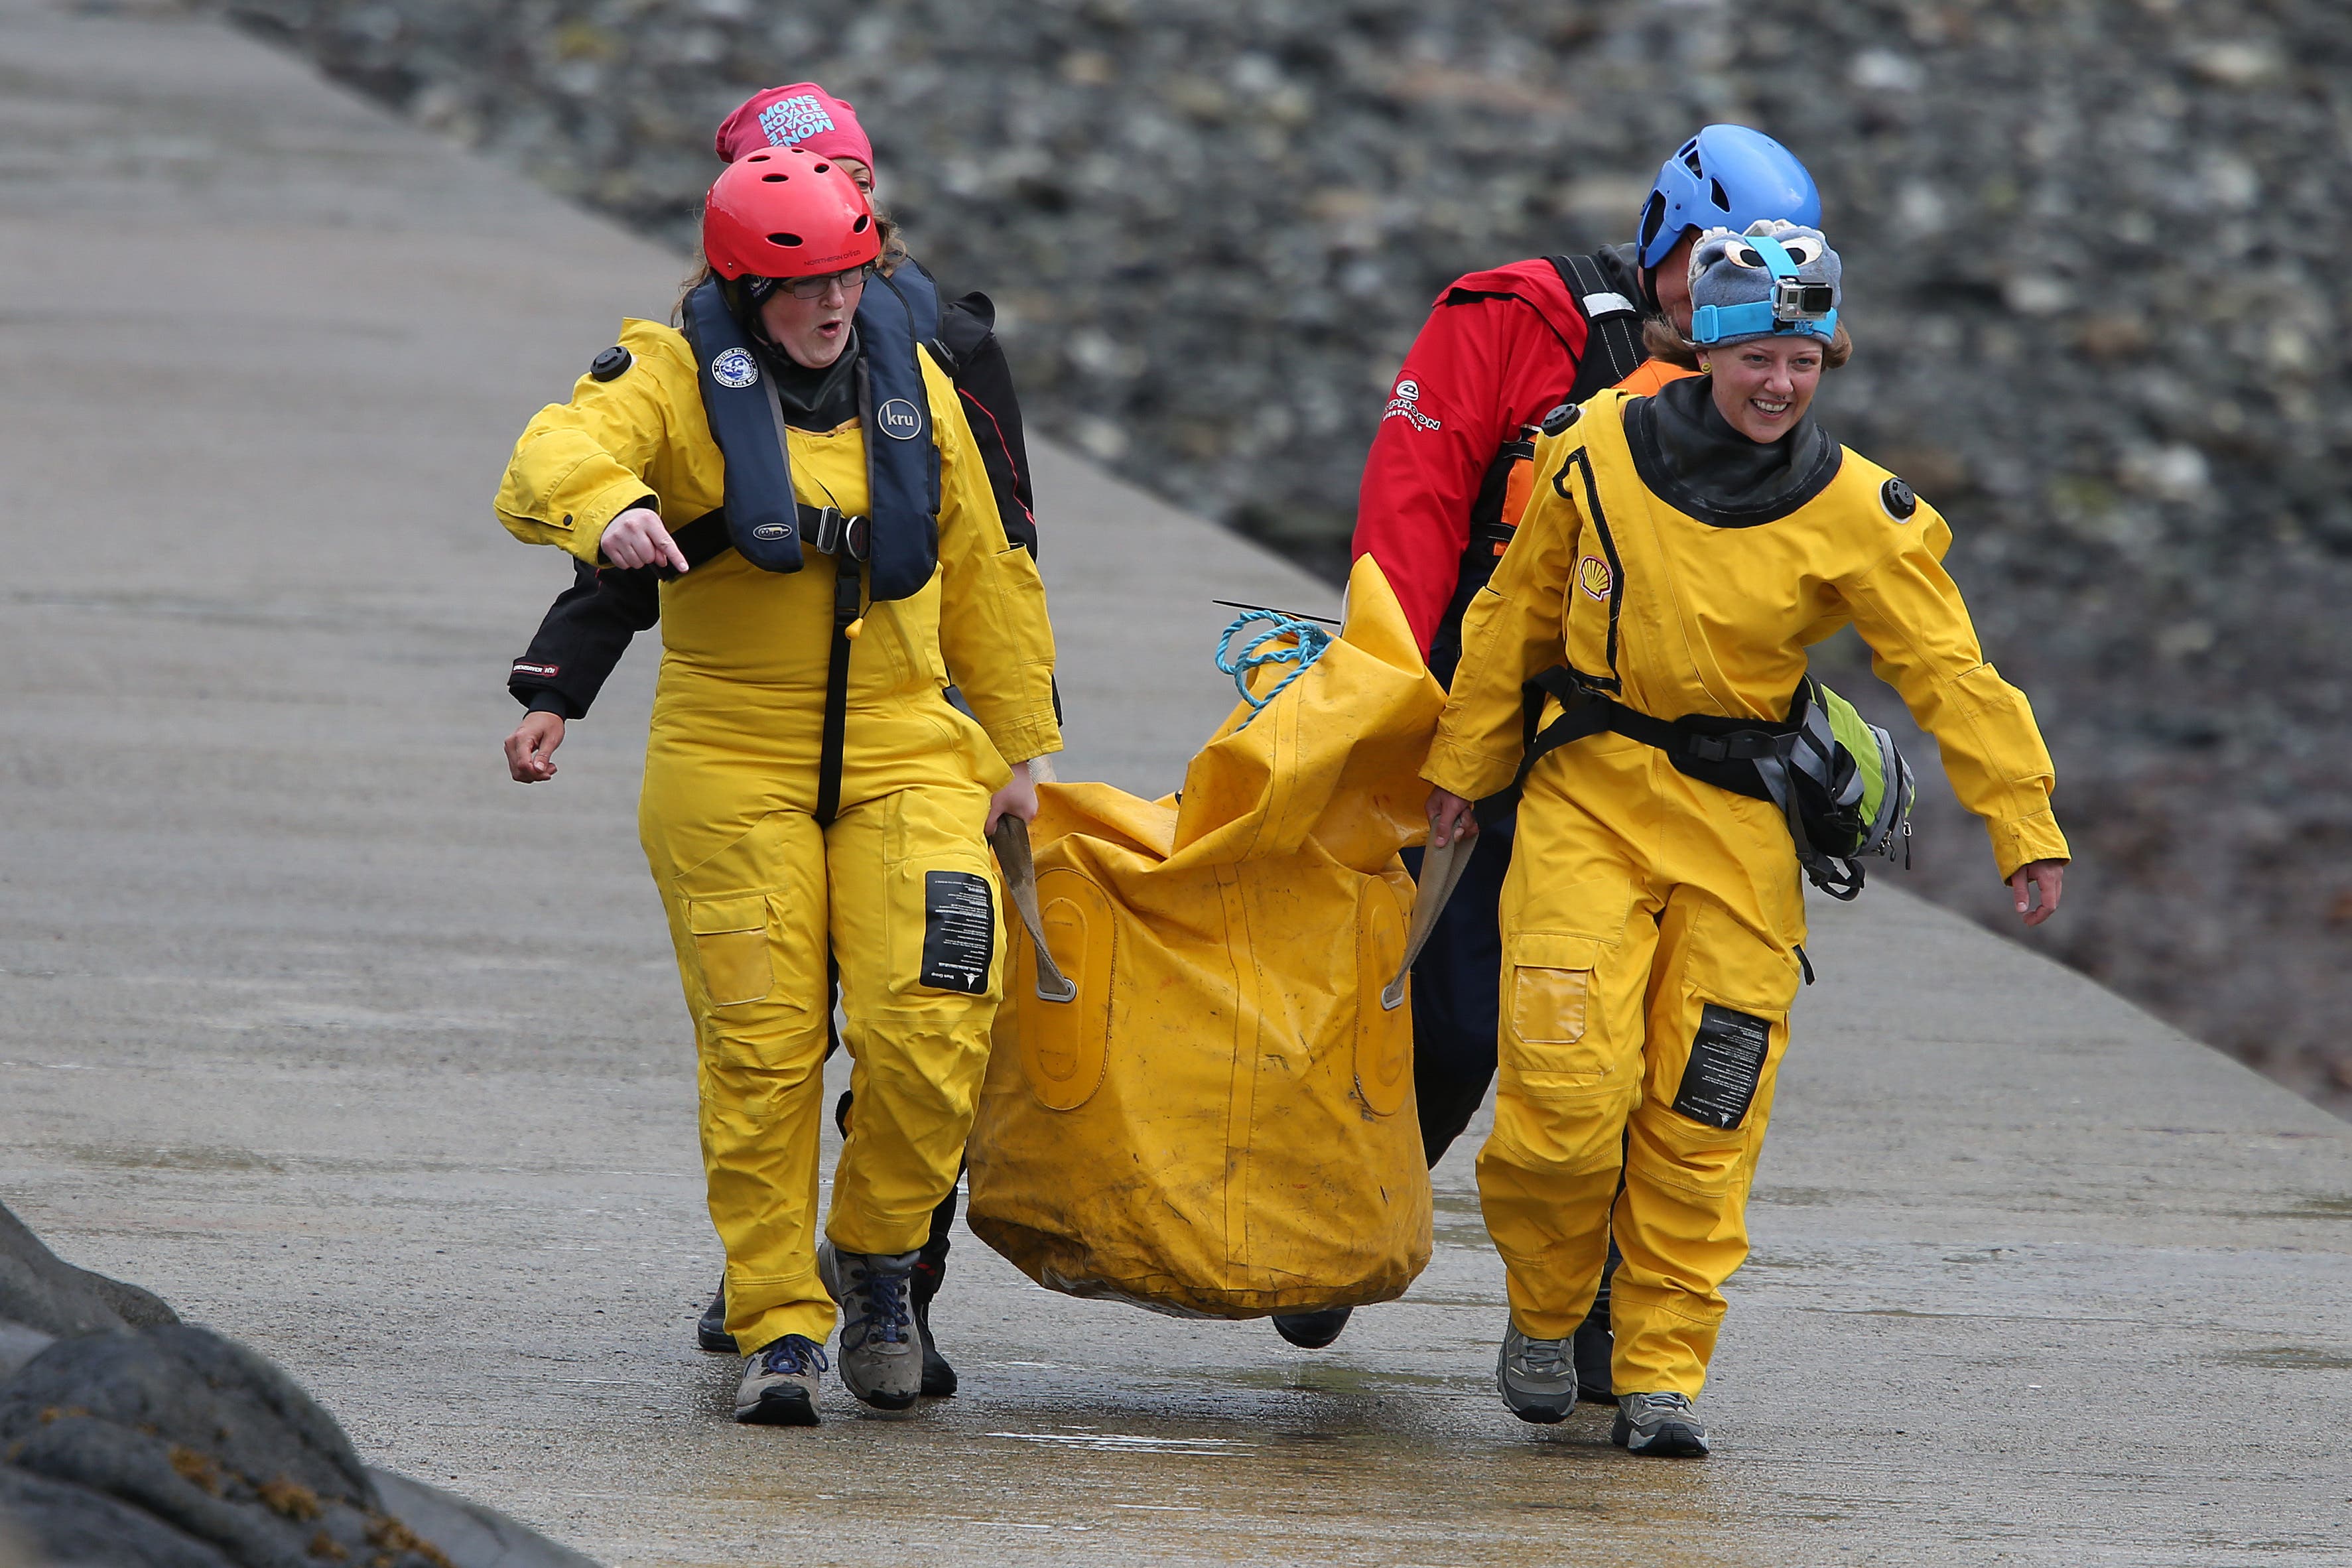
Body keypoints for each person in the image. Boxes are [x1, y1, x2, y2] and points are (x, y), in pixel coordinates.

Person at [1419, 222, 2067, 1455]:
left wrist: (2020, 823)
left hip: (1739, 833)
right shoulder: (1594, 451)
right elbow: (1513, 615)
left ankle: (1659, 1372)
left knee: (1705, 1112)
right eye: (1760, 354)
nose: (1780, 383)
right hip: (1589, 801)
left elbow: (1949, 671)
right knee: (1561, 1099)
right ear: (1702, 347)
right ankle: (1546, 1315)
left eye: (1806, 361)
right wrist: (1463, 767)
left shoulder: (1858, 510)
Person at [493, 147, 1061, 1426]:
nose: (831, 307)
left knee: (933, 1027)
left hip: (911, 745)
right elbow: (553, 451)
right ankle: (778, 1322)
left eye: (850, 279)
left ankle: (873, 1263)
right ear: (744, 289)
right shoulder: (669, 375)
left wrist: (1020, 752)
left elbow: (989, 572)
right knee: (758, 1052)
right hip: (726, 752)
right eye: (802, 287)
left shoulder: (915, 384)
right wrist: (608, 509)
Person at [1309, 125, 1822, 1376]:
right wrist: (1400, 698)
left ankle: (1593, 1310)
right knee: (1453, 1022)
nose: (1721, 290)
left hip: (1660, 765)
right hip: (1495, 732)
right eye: (1704, 259)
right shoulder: (1511, 318)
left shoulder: (1759, 368)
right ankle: (1340, 1224)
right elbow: (1416, 505)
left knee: (1650, 1051)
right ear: (1663, 240)